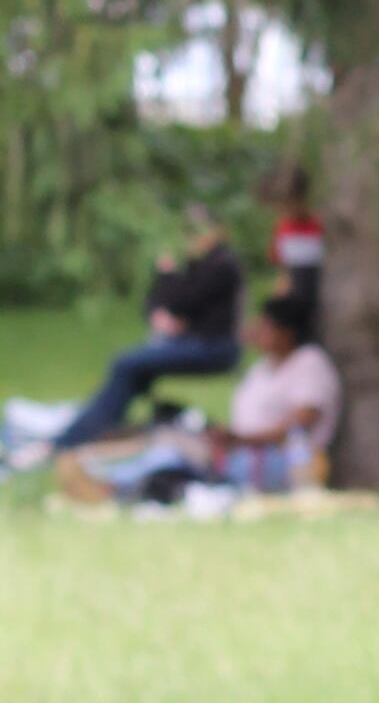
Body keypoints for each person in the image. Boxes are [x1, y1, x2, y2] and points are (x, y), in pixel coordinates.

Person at [62, 296, 340, 510]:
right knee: (168, 435)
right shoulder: (262, 369)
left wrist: (241, 439)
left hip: (281, 460)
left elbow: (299, 424)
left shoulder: (309, 364)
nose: (256, 332)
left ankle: (111, 483)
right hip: (240, 449)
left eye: (265, 327)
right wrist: (227, 436)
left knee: (174, 452)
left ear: (287, 332)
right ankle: (102, 470)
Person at [20, 204, 248, 463]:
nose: (191, 237)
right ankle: (91, 429)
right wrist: (161, 313)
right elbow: (154, 303)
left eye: (198, 230)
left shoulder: (222, 265)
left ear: (217, 231)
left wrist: (167, 275)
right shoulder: (198, 264)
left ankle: (74, 437)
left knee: (126, 364)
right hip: (189, 341)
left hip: (214, 347)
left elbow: (181, 302)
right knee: (130, 371)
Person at [262, 161, 327, 347]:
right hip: (297, 306)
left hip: (321, 302)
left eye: (286, 204)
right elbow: (284, 274)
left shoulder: (321, 225)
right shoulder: (283, 229)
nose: (283, 211)